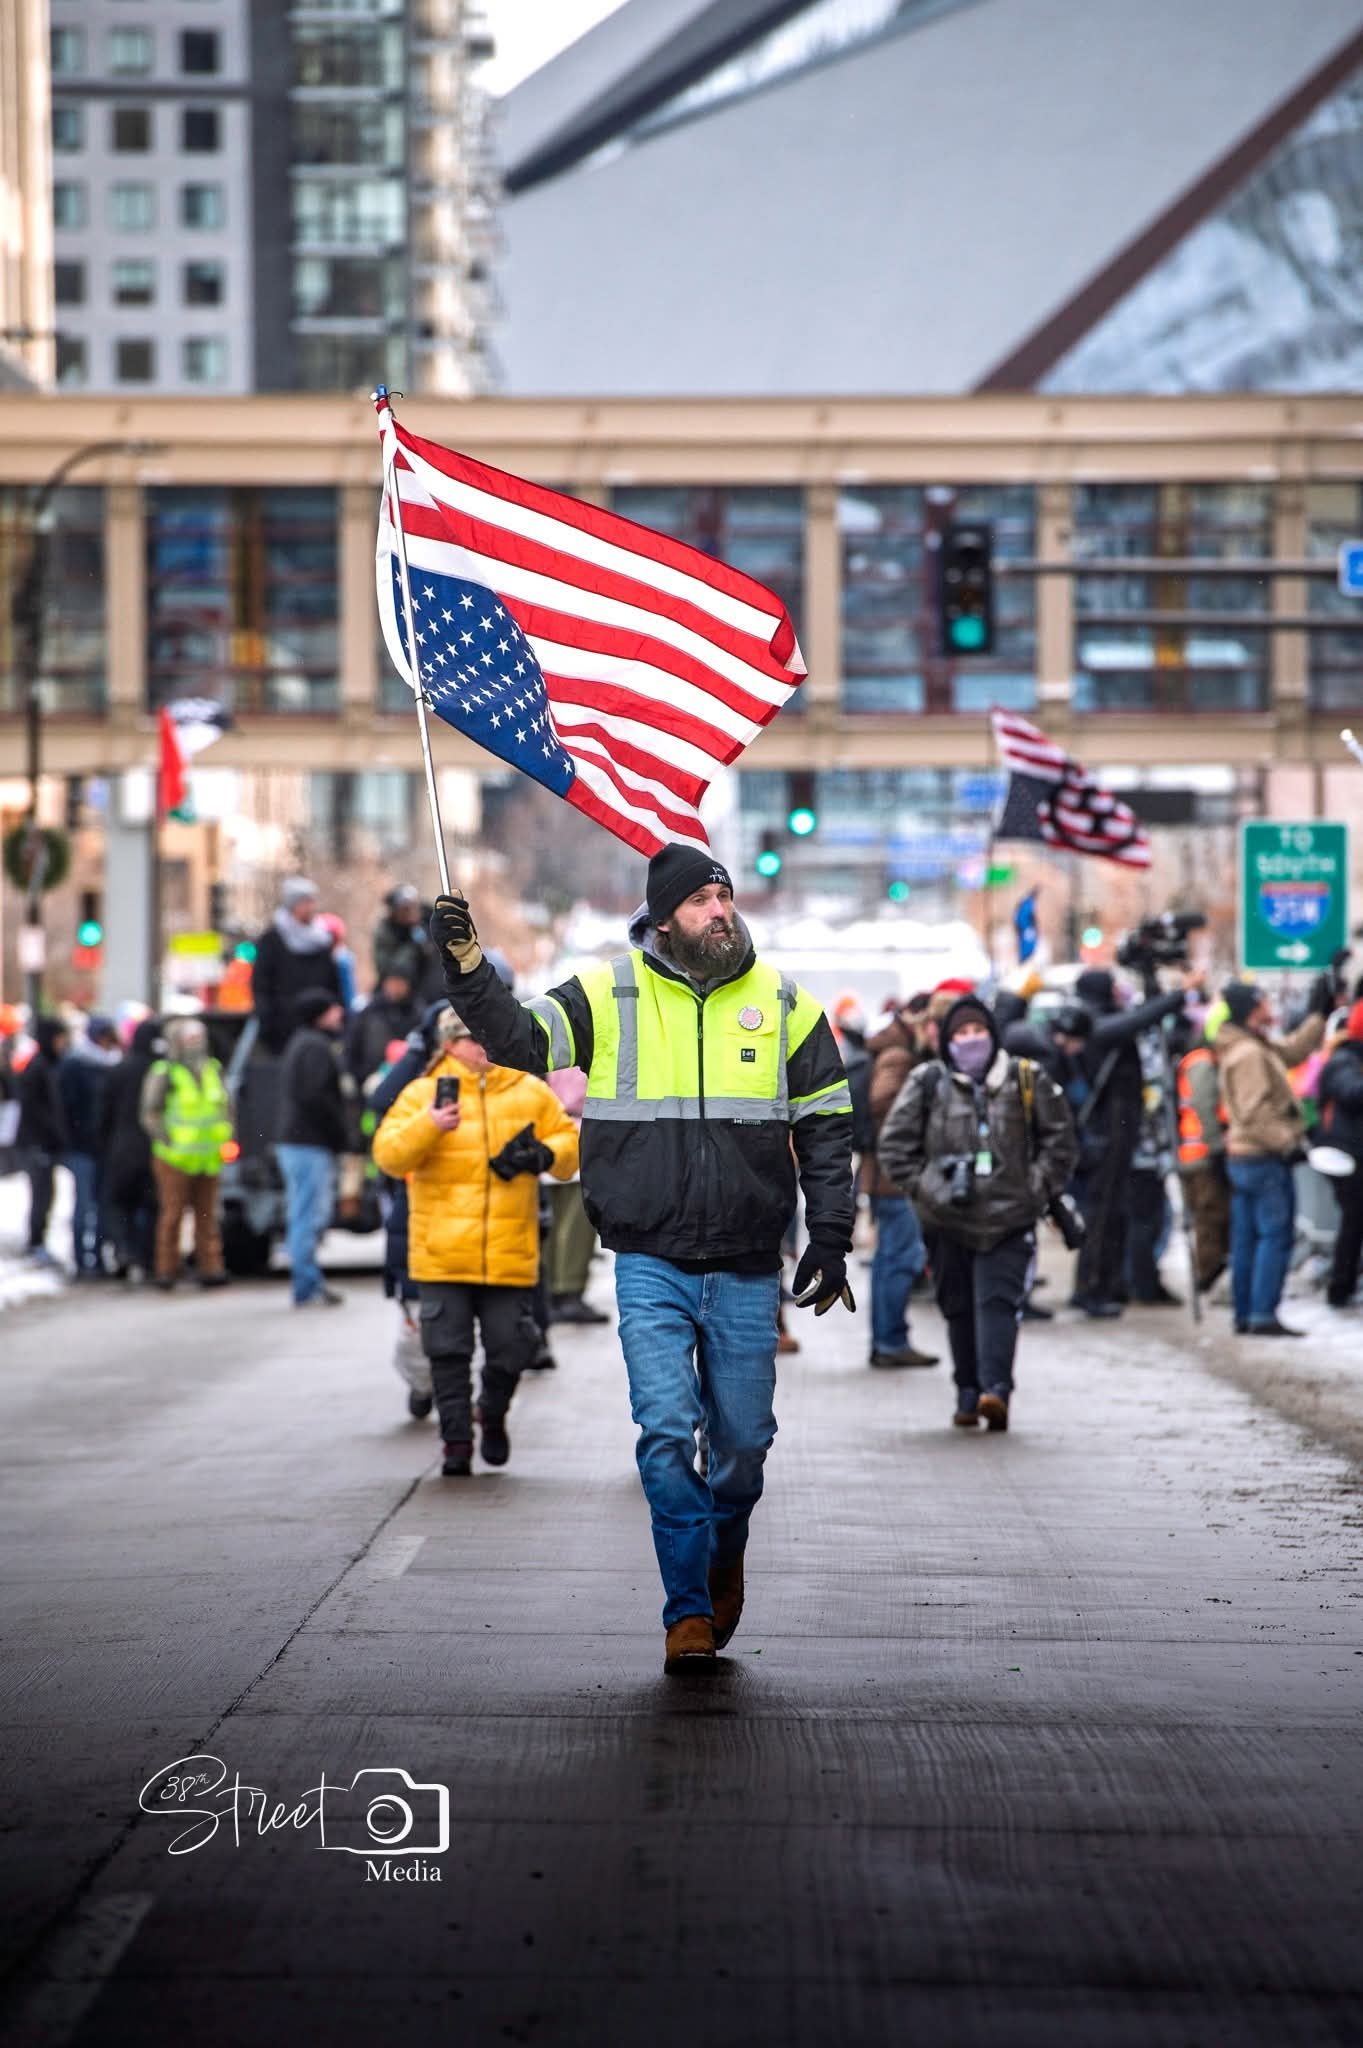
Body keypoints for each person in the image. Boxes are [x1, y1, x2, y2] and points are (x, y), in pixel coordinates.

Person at [429, 843, 855, 1675]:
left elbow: (828, 1128)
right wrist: (466, 966)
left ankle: (724, 1548)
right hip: (649, 1260)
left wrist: (831, 1236)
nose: (719, 911)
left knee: (742, 1447)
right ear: (663, 919)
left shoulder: (785, 1003)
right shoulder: (606, 993)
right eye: (699, 900)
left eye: (723, 896)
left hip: (744, 1265)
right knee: (665, 1432)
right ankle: (687, 1609)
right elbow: (517, 1039)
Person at [373, 1007, 579, 1474]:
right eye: (471, 1037)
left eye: (488, 1034)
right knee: (448, 1353)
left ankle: (492, 1412)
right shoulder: (422, 1093)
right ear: (448, 1044)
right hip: (442, 1253)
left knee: (513, 1347)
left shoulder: (529, 1089)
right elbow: (388, 1155)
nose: (483, 1045)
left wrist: (543, 1154)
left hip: (509, 1249)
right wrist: (429, 1125)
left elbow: (570, 1150)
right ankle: (456, 1442)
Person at [878, 994, 1076, 1433]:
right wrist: (933, 1190)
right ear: (947, 1040)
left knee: (998, 1304)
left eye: (978, 1030)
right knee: (959, 1307)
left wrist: (1033, 1189)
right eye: (961, 1033)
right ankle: (967, 1391)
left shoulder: (1026, 1078)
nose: (971, 1040)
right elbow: (895, 1148)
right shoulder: (928, 1081)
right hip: (947, 1219)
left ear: (993, 1033)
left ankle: (995, 1391)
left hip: (1009, 1219)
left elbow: (1059, 1142)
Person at [1069, 968, 1186, 1318]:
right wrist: (1176, 996)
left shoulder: (1102, 1019)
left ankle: (1111, 1282)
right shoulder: (1092, 1022)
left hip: (1120, 1128)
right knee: (1102, 1213)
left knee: (1117, 1212)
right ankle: (1091, 1287)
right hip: (1106, 1130)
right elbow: (1135, 1022)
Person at [1217, 976, 1330, 1337]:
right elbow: (1254, 1112)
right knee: (1272, 1236)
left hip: (1245, 1157)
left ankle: (1247, 1312)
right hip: (1262, 1157)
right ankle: (1262, 1311)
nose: (1269, 1006)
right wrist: (1288, 1143)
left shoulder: (1248, 1045)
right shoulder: (1249, 1053)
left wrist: (1317, 1016)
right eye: (1263, 1001)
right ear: (1252, 1009)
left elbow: (1291, 1051)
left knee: (1248, 1239)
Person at [861, 1002, 937, 1369]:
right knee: (899, 1259)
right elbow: (882, 1101)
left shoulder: (896, 1050)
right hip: (894, 1178)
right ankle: (890, 1341)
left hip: (887, 1175)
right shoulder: (899, 1055)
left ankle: (889, 1339)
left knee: (891, 1259)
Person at [140, 1017, 232, 1291]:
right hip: (174, 1158)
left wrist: (226, 1137)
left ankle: (210, 1267)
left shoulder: (213, 1069)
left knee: (207, 1216)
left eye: (198, 1037)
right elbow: (150, 1113)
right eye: (190, 1038)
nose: (196, 1043)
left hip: (208, 1157)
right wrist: (168, 1142)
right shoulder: (165, 1072)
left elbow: (226, 1108)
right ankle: (167, 1269)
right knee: (172, 1215)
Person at [276, 989, 350, 1308]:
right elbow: (316, 1097)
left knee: (304, 1212)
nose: (339, 1014)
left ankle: (308, 1282)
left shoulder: (302, 1043)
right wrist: (340, 1133)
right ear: (320, 1015)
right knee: (307, 1215)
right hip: (309, 1143)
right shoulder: (316, 1047)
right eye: (332, 1009)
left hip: (299, 1142)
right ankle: (306, 1284)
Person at [542, 1064, 608, 1325]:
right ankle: (567, 1291)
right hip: (575, 1132)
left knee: (556, 1221)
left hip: (549, 1131)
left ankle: (554, 1290)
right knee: (575, 1223)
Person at [58, 1014, 122, 1279]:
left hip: (103, 1147)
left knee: (102, 1206)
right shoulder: (74, 1065)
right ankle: (81, 1260)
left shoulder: (111, 1065)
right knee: (84, 1206)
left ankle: (98, 1258)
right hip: (82, 1148)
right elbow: (65, 1108)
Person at [99, 1016, 162, 1282]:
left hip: (121, 1147)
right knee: (151, 1207)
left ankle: (124, 1251)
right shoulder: (162, 1071)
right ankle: (147, 1258)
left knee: (119, 1204)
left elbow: (104, 1113)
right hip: (155, 1147)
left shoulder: (118, 1071)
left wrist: (104, 1143)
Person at [250, 877, 344, 1054]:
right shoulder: (272, 940)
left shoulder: (321, 939)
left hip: (320, 1025)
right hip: (284, 1028)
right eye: (305, 902)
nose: (310, 907)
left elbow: (333, 981)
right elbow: (262, 983)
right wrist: (267, 1020)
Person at [1175, 1001, 1231, 1295]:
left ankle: (1210, 1273)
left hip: (1200, 1152)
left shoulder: (1204, 1060)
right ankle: (1208, 1273)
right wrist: (1217, 1147)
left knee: (1212, 1217)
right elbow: (1205, 1108)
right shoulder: (1202, 1062)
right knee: (1210, 1217)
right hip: (1201, 1155)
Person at [1317, 999, 1363, 1310]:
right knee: (1353, 1221)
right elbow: (1351, 1092)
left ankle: (1343, 1284)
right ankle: (1340, 1287)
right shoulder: (1344, 1059)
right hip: (1346, 1156)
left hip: (1354, 1153)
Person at [16, 1016, 70, 1267]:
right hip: (37, 1144)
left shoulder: (49, 1064)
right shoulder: (37, 1067)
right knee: (42, 1194)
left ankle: (38, 1240)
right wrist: (52, 1135)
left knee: (47, 1194)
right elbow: (35, 1111)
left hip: (44, 1143)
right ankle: (35, 1242)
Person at [346, 967, 420, 1087]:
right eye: (391, 983)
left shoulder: (417, 1012)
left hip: (409, 1078)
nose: (395, 988)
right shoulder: (369, 1012)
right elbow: (352, 1045)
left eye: (400, 983)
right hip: (370, 1077)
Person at [373, 884, 445, 1005]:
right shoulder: (387, 932)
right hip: (406, 995)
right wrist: (412, 948)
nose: (411, 913)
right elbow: (384, 967)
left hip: (436, 988)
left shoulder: (430, 920)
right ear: (395, 912)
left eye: (413, 907)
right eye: (405, 909)